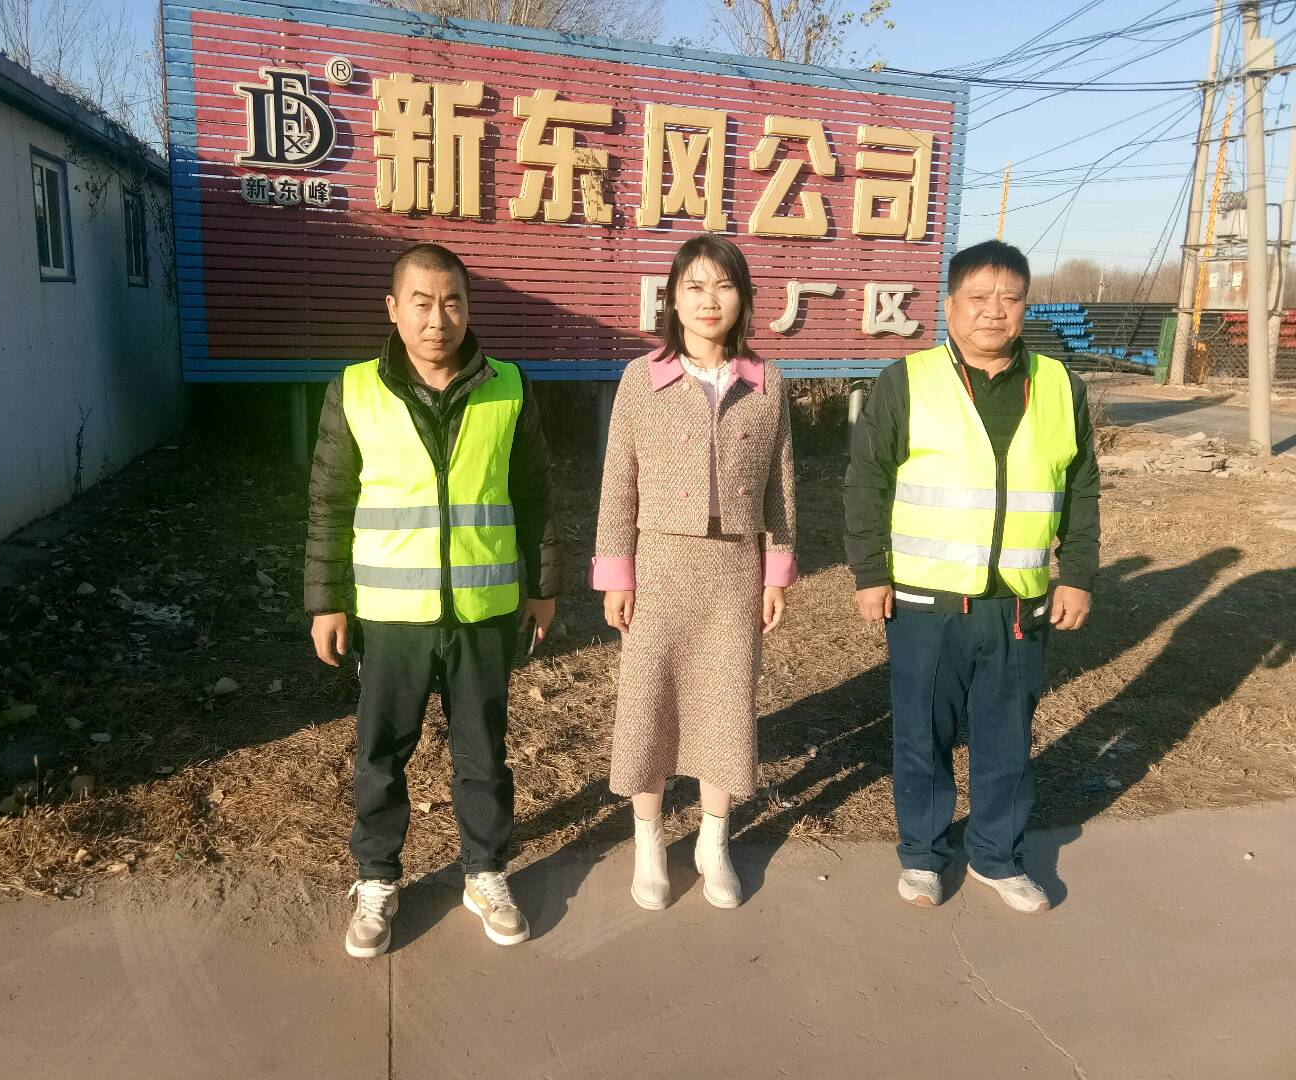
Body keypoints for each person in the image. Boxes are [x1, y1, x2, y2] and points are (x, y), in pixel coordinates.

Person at [305, 243, 565, 957]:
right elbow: (330, 502)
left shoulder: (508, 386)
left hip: (484, 611)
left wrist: (543, 587)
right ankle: (376, 878)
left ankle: (485, 871)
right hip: (391, 615)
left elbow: (535, 492)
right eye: (421, 303)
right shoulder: (356, 390)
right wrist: (327, 601)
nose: (437, 319)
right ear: (393, 309)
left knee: (484, 751)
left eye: (451, 302)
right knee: (381, 753)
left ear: (468, 308)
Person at [843, 239, 1100, 914]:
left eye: (1010, 298)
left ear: (1026, 307)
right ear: (950, 305)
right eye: (979, 298)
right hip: (925, 602)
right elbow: (866, 482)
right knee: (921, 734)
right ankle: (923, 856)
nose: (994, 311)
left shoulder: (1059, 386)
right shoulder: (908, 380)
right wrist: (870, 573)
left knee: (1007, 738)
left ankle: (996, 856)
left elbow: (1081, 487)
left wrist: (1077, 573)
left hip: (1018, 603)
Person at [592, 234, 797, 911]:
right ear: (673, 301)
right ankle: (649, 842)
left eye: (724, 286)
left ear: (743, 299)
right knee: (648, 701)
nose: (710, 301)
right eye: (695, 287)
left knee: (725, 704)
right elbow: (617, 483)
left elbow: (782, 486)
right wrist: (616, 573)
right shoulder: (642, 379)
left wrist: (775, 571)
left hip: (734, 568)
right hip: (660, 563)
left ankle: (714, 839)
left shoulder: (765, 383)